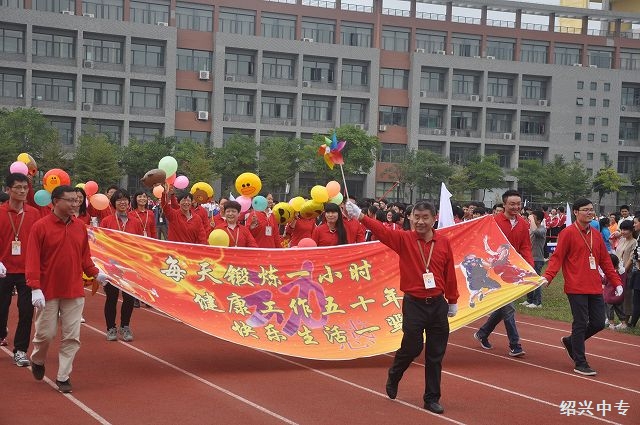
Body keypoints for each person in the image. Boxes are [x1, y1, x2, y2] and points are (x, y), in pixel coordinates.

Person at [345, 200, 458, 415]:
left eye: (425, 218)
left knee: (435, 355)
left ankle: (432, 398)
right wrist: (360, 216)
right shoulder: (404, 239)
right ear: (411, 218)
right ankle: (395, 373)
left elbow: (449, 272)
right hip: (414, 304)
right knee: (413, 347)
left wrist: (452, 300)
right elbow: (382, 231)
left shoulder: (443, 242)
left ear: (434, 219)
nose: (420, 222)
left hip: (437, 305)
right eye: (417, 217)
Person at [26, 185, 108, 393]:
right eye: (70, 200)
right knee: (45, 334)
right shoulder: (40, 227)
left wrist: (95, 273)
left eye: (77, 200)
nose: (75, 204)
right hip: (47, 290)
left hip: (73, 289)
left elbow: (85, 257)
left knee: (72, 336)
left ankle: (63, 376)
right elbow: (32, 259)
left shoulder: (79, 227)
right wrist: (35, 287)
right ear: (55, 201)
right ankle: (38, 359)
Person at [541, 198, 622, 376]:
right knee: (580, 323)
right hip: (575, 286)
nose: (589, 212)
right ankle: (580, 361)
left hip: (594, 286)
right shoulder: (567, 233)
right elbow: (557, 258)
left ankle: (571, 342)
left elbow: (606, 261)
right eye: (585, 209)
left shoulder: (596, 234)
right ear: (576, 212)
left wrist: (616, 282)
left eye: (591, 209)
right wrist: (548, 276)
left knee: (598, 323)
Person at [474, 190, 533, 357]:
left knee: (504, 306)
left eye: (518, 204)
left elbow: (525, 247)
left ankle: (483, 333)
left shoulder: (523, 224)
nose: (516, 207)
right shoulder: (493, 222)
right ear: (504, 204)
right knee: (508, 307)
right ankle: (515, 344)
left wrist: (530, 267)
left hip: (511, 270)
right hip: (494, 270)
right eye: (512, 204)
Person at [0, 173, 42, 366]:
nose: (23, 191)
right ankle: (2, 332)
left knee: (26, 311)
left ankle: (20, 350)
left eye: (25, 187)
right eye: (18, 187)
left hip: (26, 270)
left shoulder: (34, 213)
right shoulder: (1, 212)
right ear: (8, 190)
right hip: (3, 270)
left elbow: (39, 242)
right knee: (1, 309)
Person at [100, 189, 144, 341]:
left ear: (129, 202)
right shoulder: (107, 221)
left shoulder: (135, 222)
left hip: (129, 266)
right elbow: (101, 243)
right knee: (111, 297)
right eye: (119, 200)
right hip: (111, 266)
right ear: (114, 203)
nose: (122, 202)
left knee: (129, 298)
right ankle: (111, 328)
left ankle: (125, 326)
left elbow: (140, 243)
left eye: (125, 199)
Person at [614, 219, 637, 329]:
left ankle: (626, 320)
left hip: (627, 273)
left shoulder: (634, 242)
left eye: (625, 229)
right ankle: (621, 319)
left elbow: (631, 258)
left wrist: (624, 271)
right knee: (618, 295)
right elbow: (616, 253)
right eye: (622, 229)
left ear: (631, 230)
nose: (623, 232)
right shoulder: (621, 240)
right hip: (617, 271)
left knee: (627, 296)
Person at [523, 210, 546, 308]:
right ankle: (530, 299)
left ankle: (537, 302)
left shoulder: (542, 229)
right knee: (529, 280)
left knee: (536, 280)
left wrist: (531, 219)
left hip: (537, 258)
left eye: (533, 219)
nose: (531, 220)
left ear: (539, 220)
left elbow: (536, 232)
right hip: (529, 257)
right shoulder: (531, 228)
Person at [603, 254, 626, 330]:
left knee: (609, 310)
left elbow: (604, 281)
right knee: (620, 309)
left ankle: (611, 324)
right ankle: (623, 323)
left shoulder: (609, 272)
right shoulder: (622, 272)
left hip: (609, 295)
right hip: (619, 295)